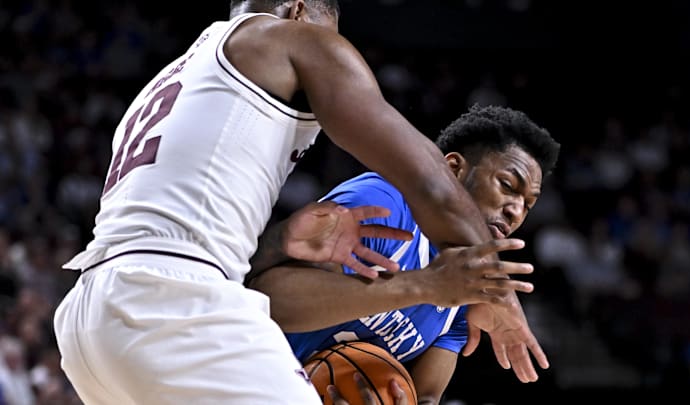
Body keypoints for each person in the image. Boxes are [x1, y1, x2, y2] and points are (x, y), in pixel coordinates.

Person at [53, 1, 522, 404]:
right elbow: (431, 180)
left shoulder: (176, 77)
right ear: (297, 11)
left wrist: (278, 241)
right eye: (332, 37)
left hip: (91, 322)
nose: (337, 51)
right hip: (171, 305)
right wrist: (499, 292)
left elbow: (172, 238)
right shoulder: (290, 38)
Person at [248, 105, 561, 404]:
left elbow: (426, 396)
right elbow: (267, 301)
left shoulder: (468, 291)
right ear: (453, 169)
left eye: (528, 204)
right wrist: (423, 286)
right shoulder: (384, 204)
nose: (516, 211)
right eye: (507, 185)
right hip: (241, 380)